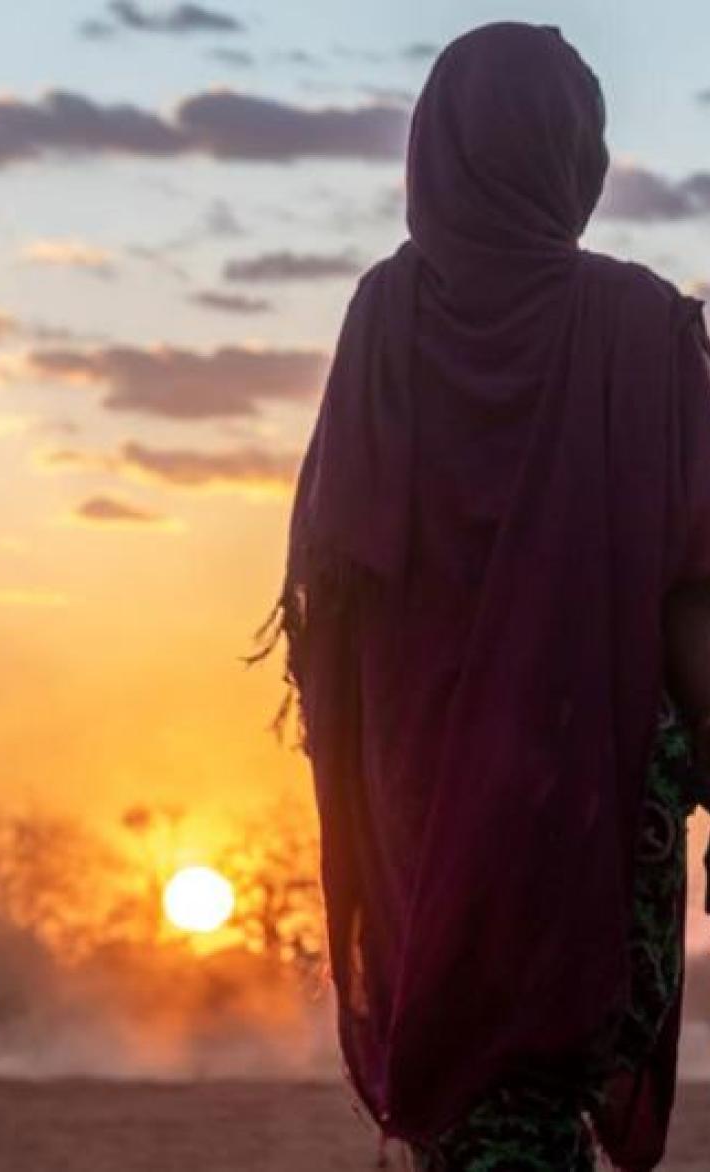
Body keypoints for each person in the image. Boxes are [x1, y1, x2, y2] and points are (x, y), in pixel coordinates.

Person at [265, 23, 710, 1171]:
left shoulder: (385, 316)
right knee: (548, 1066)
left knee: (466, 1070)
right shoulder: (643, 326)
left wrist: (365, 781)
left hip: (418, 784)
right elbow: (693, 581)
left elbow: (333, 586)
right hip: (599, 778)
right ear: (576, 156)